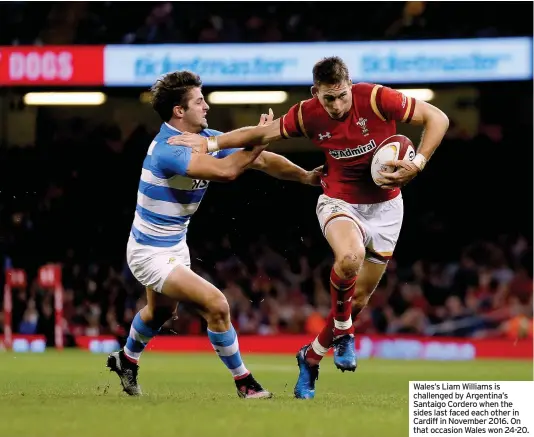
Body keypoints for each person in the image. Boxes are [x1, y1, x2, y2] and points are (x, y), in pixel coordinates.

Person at [168, 56, 450, 399]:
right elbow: (262, 133)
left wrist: (418, 163)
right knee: (350, 257)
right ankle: (344, 332)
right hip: (339, 201)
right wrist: (211, 143)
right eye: (328, 98)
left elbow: (438, 117)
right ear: (315, 92)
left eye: (342, 95)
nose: (336, 105)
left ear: (350, 86)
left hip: (388, 208)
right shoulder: (307, 113)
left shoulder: (376, 98)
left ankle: (311, 357)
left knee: (357, 300)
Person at [107, 70, 322, 398]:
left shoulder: (204, 138)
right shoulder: (169, 148)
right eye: (199, 101)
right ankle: (244, 382)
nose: (206, 106)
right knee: (217, 305)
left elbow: (261, 161)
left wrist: (305, 177)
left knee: (162, 312)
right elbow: (227, 170)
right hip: (148, 251)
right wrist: (259, 136)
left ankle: (126, 359)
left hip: (175, 244)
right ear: (179, 111)